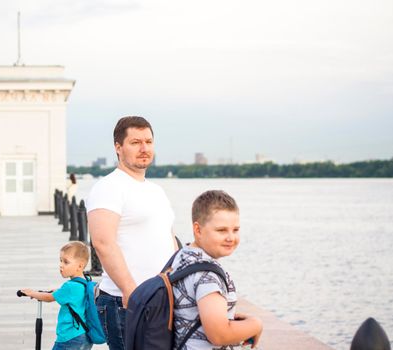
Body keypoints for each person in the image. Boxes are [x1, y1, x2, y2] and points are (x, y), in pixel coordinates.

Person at [86, 116, 177, 349]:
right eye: (136, 142)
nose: (144, 148)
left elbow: (170, 241)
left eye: (148, 141)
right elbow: (102, 242)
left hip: (160, 299)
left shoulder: (156, 191)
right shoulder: (109, 187)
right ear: (118, 147)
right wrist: (130, 290)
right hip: (124, 301)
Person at [170, 190, 262, 349]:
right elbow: (219, 335)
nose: (231, 238)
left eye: (235, 229)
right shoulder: (207, 276)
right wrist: (256, 325)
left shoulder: (183, 256)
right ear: (198, 230)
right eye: (221, 230)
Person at [21, 242, 92, 350]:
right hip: (84, 335)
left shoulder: (69, 286)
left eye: (66, 262)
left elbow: (49, 298)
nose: (61, 265)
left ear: (80, 266)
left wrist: (32, 293)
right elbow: (71, 296)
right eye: (61, 260)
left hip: (70, 337)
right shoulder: (85, 281)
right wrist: (58, 291)